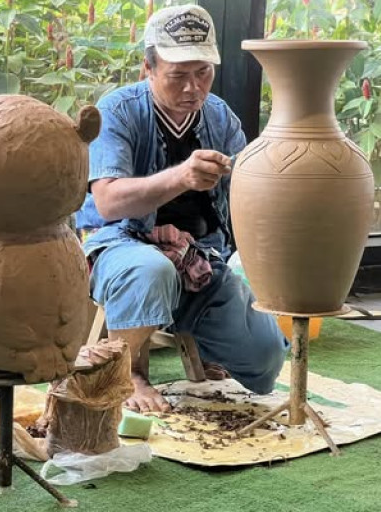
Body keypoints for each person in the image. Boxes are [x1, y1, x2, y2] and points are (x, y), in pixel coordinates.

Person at [76, 5, 288, 413]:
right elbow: (108, 202)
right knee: (151, 269)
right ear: (148, 68)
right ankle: (128, 372)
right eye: (178, 75)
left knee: (265, 360)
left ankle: (205, 338)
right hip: (118, 245)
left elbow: (249, 191)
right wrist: (181, 177)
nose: (193, 87)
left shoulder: (219, 117)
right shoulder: (117, 111)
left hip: (199, 254)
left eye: (203, 72)